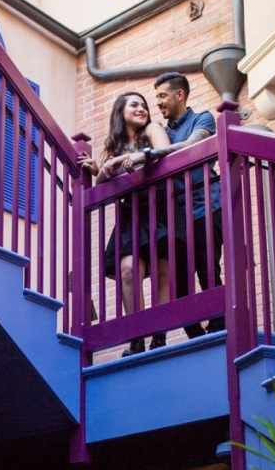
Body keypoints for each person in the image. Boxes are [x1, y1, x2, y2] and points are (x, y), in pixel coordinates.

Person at [78, 91, 170, 354]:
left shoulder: (153, 128)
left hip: (160, 207)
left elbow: (165, 152)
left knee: (162, 272)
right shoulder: (112, 144)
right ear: (121, 111)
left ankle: (160, 336)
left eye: (144, 105)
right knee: (128, 269)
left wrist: (142, 157)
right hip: (130, 213)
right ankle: (136, 336)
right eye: (134, 105)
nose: (142, 109)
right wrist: (101, 169)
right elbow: (100, 183)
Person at [149, 72, 224, 338]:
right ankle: (197, 337)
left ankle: (218, 329)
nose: (157, 102)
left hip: (206, 205)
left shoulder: (201, 118)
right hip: (176, 218)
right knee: (178, 284)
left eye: (162, 96)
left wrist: (154, 152)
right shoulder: (160, 131)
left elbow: (192, 146)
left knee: (207, 270)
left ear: (179, 94)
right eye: (156, 97)